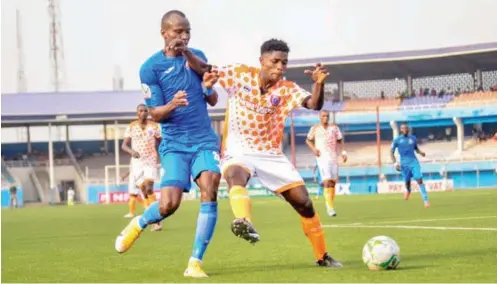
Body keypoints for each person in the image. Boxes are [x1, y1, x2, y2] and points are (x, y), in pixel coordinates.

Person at [215, 39, 342, 267]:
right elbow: (206, 71)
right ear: (261, 60)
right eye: (275, 61)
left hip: (270, 153)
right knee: (235, 174)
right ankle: (243, 221)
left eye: (284, 63)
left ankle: (322, 256)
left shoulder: (287, 89)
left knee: (304, 203)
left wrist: (319, 84)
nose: (279, 67)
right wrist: (184, 53)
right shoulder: (238, 74)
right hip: (239, 147)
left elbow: (313, 103)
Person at [115, 10, 221, 278]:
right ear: (164, 33)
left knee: (210, 188)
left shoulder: (196, 56)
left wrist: (196, 69)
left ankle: (195, 262)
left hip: (203, 139)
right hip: (174, 143)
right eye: (177, 31)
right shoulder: (150, 68)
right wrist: (173, 104)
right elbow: (155, 114)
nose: (183, 36)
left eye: (187, 31)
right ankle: (139, 223)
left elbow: (211, 94)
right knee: (169, 205)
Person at [121, 104, 163, 231]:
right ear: (137, 113)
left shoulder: (154, 126)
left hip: (150, 160)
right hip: (137, 162)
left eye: (145, 111)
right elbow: (124, 145)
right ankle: (150, 211)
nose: (144, 112)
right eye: (141, 111)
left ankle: (157, 221)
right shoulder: (132, 126)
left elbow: (161, 142)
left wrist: (164, 155)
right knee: (144, 190)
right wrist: (131, 151)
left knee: (150, 188)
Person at [306, 110, 347, 217]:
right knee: (327, 181)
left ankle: (329, 203)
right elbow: (308, 140)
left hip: (333, 158)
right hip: (322, 159)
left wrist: (343, 152)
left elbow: (340, 140)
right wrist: (314, 149)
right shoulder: (315, 128)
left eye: (327, 116)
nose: (326, 118)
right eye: (323, 116)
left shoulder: (334, 128)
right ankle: (330, 208)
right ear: (320, 117)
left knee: (333, 183)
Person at [391, 123, 430, 207]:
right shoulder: (397, 140)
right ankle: (408, 191)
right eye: (403, 128)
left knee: (419, 179)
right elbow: (391, 152)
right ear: (401, 130)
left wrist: (420, 152)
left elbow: (416, 148)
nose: (404, 129)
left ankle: (426, 200)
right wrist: (395, 163)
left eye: (406, 128)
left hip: (413, 162)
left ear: (408, 129)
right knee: (407, 183)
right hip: (404, 165)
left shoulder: (413, 138)